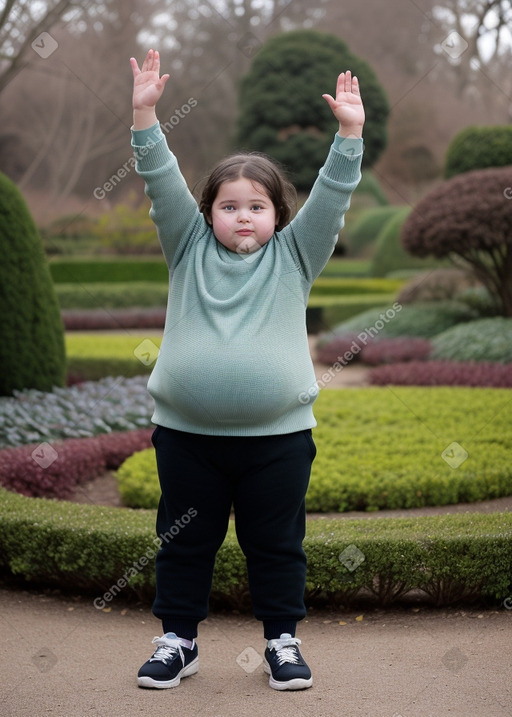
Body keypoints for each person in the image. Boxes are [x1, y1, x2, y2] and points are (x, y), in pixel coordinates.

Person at [130, 48, 365, 692]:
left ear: (277, 215)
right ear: (207, 214)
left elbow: (334, 198)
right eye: (229, 205)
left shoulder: (296, 256)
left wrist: (349, 134)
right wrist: (146, 114)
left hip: (279, 442)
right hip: (187, 438)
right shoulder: (186, 248)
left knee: (276, 545)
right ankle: (178, 640)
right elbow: (159, 180)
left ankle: (281, 642)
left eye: (256, 206)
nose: (242, 216)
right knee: (183, 543)